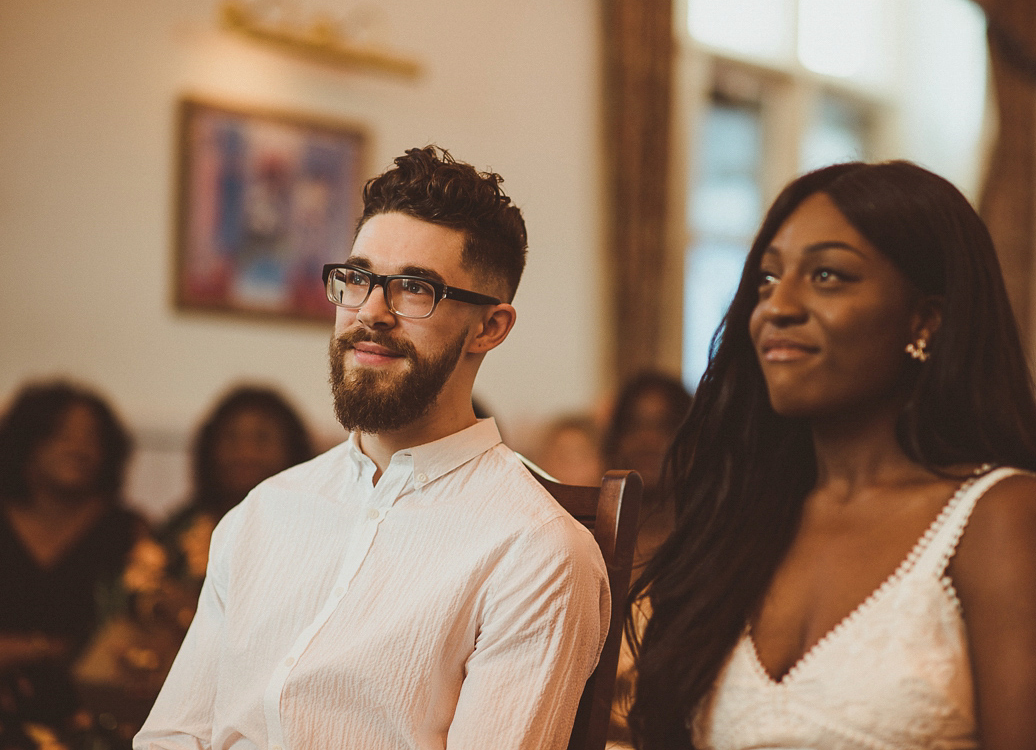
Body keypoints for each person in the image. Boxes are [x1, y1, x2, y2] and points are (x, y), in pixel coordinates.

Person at [136, 146, 609, 750]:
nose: (371, 313)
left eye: (415, 289)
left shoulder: (537, 552)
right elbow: (173, 735)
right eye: (358, 279)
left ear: (489, 327)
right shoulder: (262, 512)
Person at [626, 162, 1036, 750]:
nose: (778, 306)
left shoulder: (1002, 517)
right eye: (768, 279)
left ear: (926, 320)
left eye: (827, 275)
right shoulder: (743, 518)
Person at [0, 381, 142, 737]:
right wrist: (46, 648)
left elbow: (136, 644)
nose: (80, 448)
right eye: (62, 434)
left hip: (93, 723)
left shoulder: (128, 532)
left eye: (93, 438)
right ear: (26, 442)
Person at [600, 371, 691, 748]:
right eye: (636, 426)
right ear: (614, 441)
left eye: (666, 427)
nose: (650, 440)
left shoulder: (705, 555)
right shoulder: (586, 546)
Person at [160, 385, 315, 583]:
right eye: (232, 438)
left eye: (262, 438)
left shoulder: (311, 530)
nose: (245, 453)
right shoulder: (180, 531)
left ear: (292, 448)